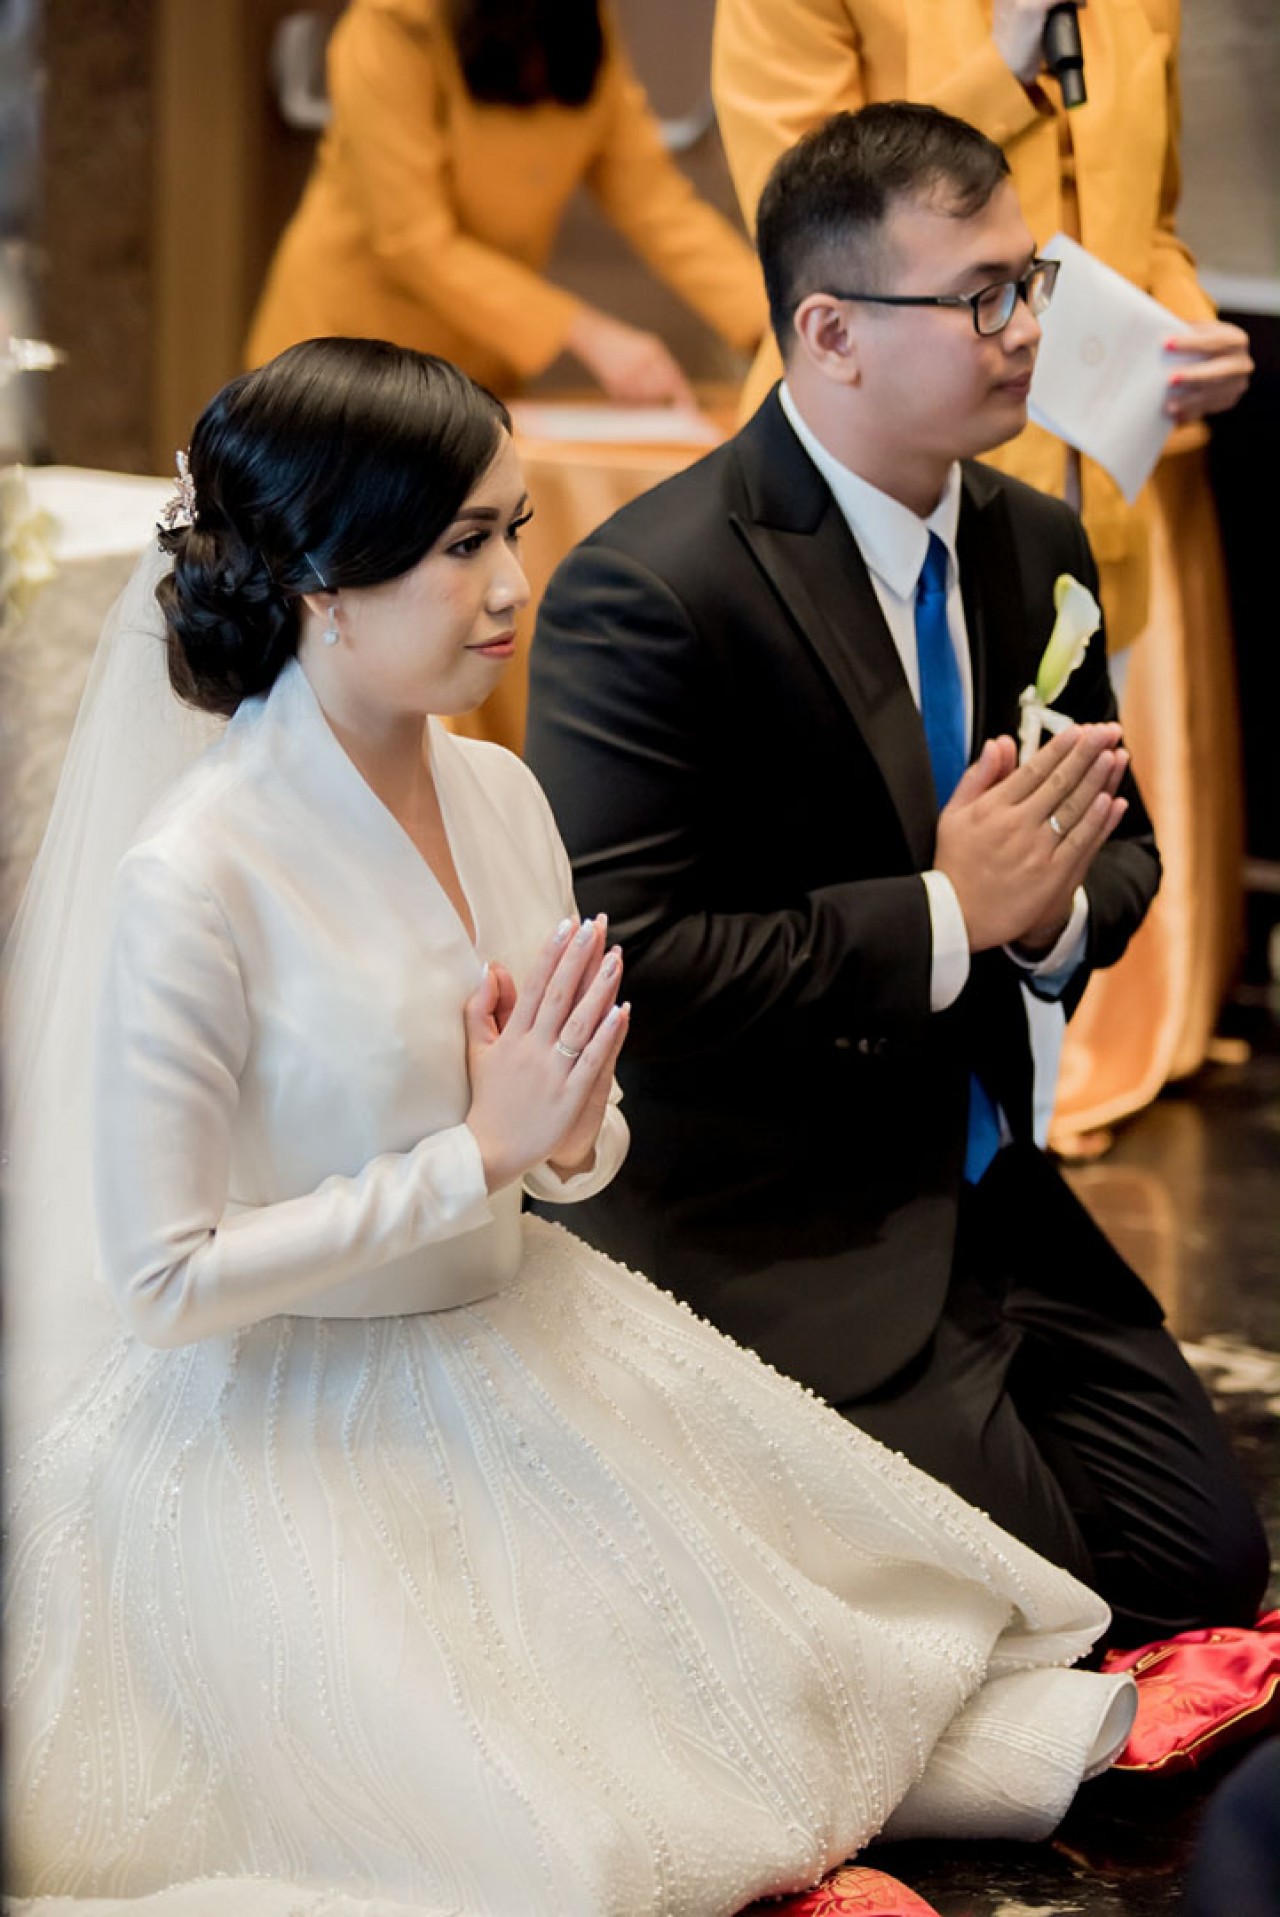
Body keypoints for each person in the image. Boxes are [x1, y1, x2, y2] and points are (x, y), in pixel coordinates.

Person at [3, 337, 1139, 1913]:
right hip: (291, 1423)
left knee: (851, 1676)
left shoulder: (502, 795)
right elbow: (163, 1280)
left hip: (513, 1333)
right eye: (465, 543)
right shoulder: (195, 874)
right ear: (323, 583)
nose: (512, 585)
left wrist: (564, 1128)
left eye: (516, 531)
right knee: (561, 1831)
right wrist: (474, 1153)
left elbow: (571, 1148)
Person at [525, 104, 1270, 1650]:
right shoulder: (654, 585)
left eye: (1030, 285)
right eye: (981, 298)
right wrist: (947, 915)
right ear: (832, 332)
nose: (1027, 332)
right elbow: (640, 960)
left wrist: (1047, 914)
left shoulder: (1034, 538)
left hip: (984, 1184)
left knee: (1202, 1569)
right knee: (1043, 1606)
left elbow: (1121, 846)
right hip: (772, 1215)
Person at [711, 0, 1252, 1150]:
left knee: (1067, 759)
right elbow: (799, 211)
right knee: (895, 773)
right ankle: (896, 1086)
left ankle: (1048, 1064)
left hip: (1089, 445)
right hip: (875, 441)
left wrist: (1187, 327)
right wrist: (999, 72)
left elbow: (1141, 225)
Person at [245, 0, 766, 405]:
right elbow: (411, 241)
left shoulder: (578, 21)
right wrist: (586, 332)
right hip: (343, 364)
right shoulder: (396, 24)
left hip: (474, 372)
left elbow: (656, 204)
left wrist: (771, 320)